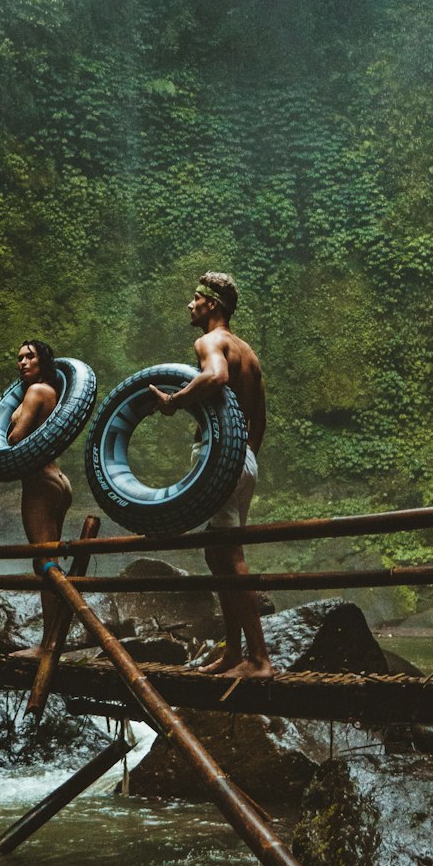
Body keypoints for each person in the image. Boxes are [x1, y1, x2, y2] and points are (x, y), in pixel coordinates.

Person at [150, 272, 274, 679]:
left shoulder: (210, 342)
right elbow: (259, 419)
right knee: (216, 552)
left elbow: (216, 376)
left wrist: (174, 401)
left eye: (195, 299)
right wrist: (242, 456)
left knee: (228, 554)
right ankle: (235, 653)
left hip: (223, 457)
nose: (190, 305)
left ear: (212, 305)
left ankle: (259, 660)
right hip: (243, 459)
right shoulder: (249, 354)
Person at [7, 338, 73, 658]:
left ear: (42, 363)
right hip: (58, 480)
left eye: (29, 357)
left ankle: (48, 645)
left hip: (39, 484)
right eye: (19, 358)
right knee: (51, 562)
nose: (22, 362)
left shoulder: (35, 392)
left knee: (45, 564)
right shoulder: (51, 393)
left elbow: (16, 438)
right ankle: (56, 637)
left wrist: (11, 428)